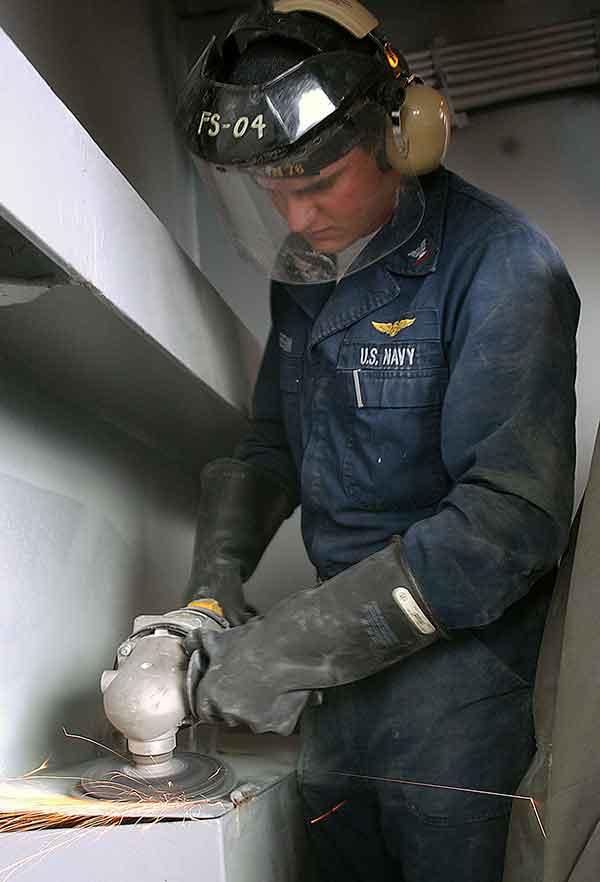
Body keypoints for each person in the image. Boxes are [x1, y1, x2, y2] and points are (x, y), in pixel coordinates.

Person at [176, 2, 580, 880]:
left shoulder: (503, 266)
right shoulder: (309, 275)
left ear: (403, 138)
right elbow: (272, 445)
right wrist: (210, 591)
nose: (296, 217)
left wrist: (284, 646)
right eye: (272, 191)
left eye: (318, 183)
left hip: (462, 686)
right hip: (340, 681)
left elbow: (509, 524)